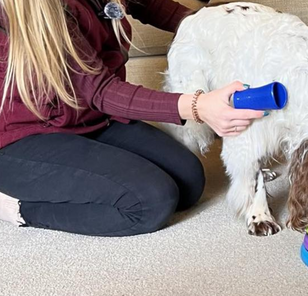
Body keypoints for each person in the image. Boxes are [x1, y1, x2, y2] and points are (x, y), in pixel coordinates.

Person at [0, 0, 266, 236]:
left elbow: (148, 4)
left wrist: (219, 27)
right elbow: (102, 91)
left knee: (190, 180)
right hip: (24, 136)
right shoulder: (43, 10)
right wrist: (198, 105)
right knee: (150, 202)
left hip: (90, 119)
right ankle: (19, 209)